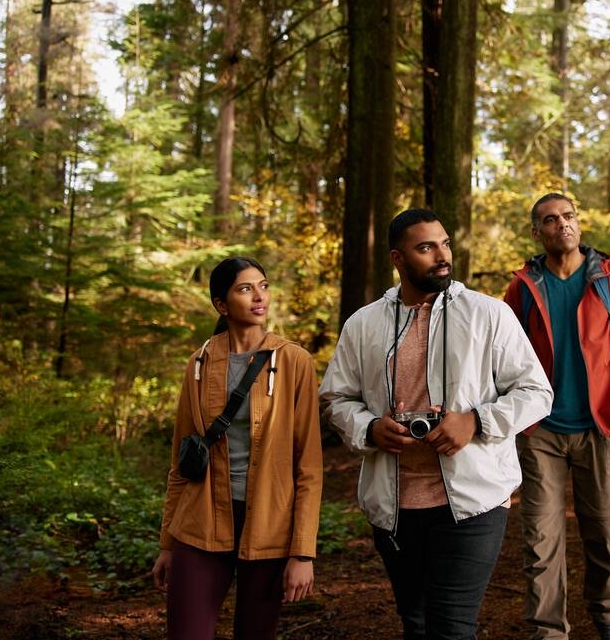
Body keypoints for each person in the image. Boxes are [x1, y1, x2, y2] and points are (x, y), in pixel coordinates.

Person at [320, 208, 554, 640]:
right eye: (426, 247)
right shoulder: (364, 323)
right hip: (393, 504)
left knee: (451, 628)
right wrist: (369, 428)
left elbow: (536, 392)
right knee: (416, 624)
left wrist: (476, 421)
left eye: (444, 244)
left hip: (473, 499)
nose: (442, 255)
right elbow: (335, 398)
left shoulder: (489, 314)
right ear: (398, 258)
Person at [151, 257, 323, 640]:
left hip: (269, 525)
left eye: (263, 286)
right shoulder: (199, 363)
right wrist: (168, 545)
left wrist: (302, 552)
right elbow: (181, 461)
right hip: (200, 522)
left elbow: (308, 467)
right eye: (245, 289)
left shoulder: (294, 361)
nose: (259, 297)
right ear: (222, 305)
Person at [502, 193, 610, 640]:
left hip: (600, 427)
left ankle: (606, 613)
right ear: (536, 232)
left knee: (606, 532)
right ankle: (548, 631)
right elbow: (504, 356)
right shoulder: (522, 288)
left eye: (568, 216)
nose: (561, 224)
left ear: (578, 223)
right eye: (550, 219)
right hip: (540, 431)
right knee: (540, 540)